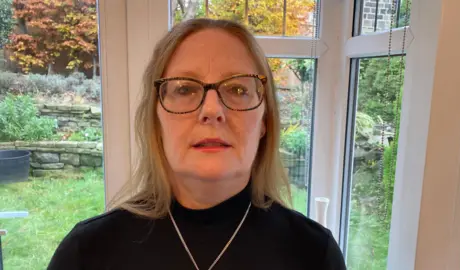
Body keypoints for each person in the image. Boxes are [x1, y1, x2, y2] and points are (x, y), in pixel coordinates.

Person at [47, 18, 347, 270]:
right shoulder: (85, 254)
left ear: (264, 120)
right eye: (185, 88)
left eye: (238, 88)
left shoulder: (314, 255)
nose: (212, 110)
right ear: (156, 119)